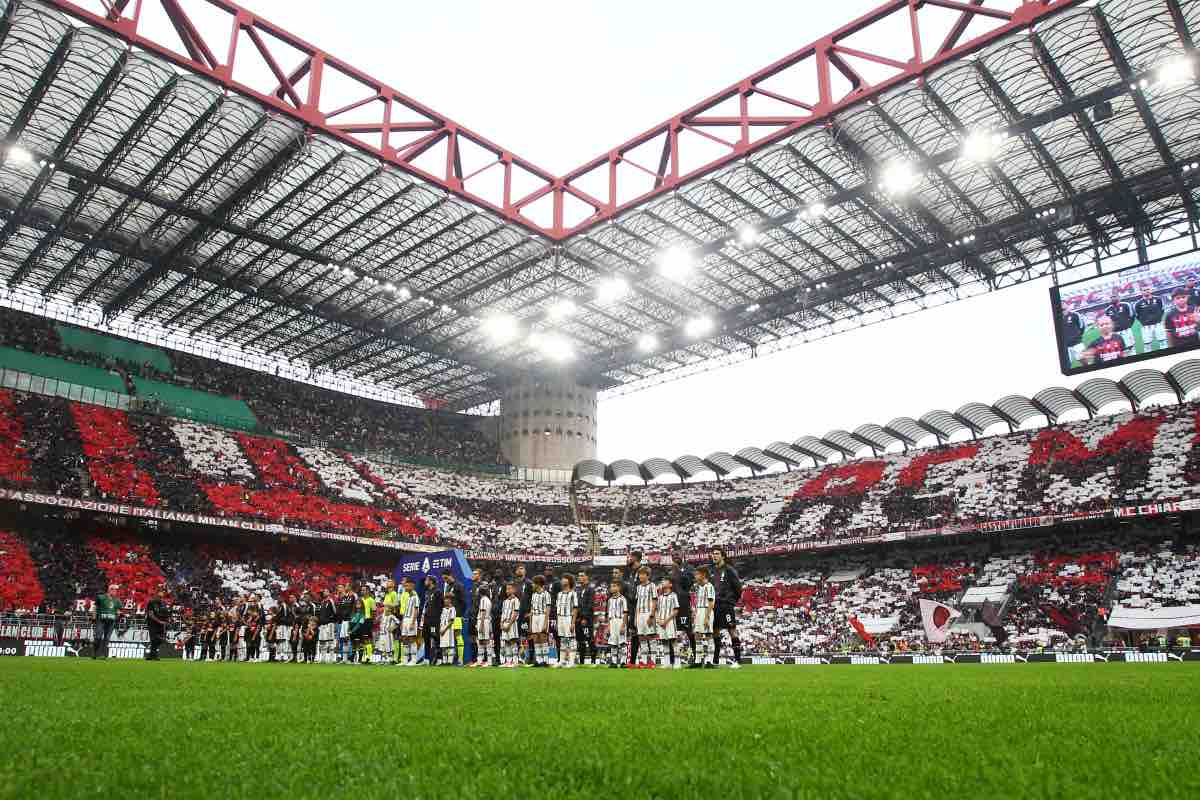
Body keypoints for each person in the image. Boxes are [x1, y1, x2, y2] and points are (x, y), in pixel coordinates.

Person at [710, 547, 743, 669]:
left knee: (731, 630)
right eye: (713, 554)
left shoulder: (729, 570)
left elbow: (738, 588)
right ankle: (716, 660)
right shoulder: (713, 571)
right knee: (715, 631)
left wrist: (731, 601)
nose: (714, 556)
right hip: (715, 605)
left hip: (726, 605)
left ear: (723, 556)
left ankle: (738, 660)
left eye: (717, 554)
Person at [671, 552, 696, 665]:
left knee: (688, 630)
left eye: (677, 555)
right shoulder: (671, 571)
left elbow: (688, 583)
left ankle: (695, 656)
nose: (675, 557)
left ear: (682, 556)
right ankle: (672, 659)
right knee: (672, 631)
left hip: (683, 602)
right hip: (672, 604)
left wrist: (679, 571)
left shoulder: (688, 568)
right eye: (673, 556)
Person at [634, 566, 657, 669]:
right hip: (640, 614)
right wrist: (635, 617)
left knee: (651, 637)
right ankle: (643, 661)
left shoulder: (652, 586)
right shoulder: (638, 587)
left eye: (643, 574)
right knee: (641, 637)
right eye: (639, 574)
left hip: (648, 613)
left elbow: (655, 601)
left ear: (648, 575)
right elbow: (637, 603)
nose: (640, 576)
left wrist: (651, 615)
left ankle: (652, 661)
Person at [693, 566, 716, 670]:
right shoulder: (698, 587)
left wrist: (707, 617)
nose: (695, 576)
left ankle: (709, 661)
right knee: (697, 635)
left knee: (708, 635)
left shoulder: (709, 586)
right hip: (699, 611)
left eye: (697, 574)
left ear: (703, 575)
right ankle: (698, 661)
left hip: (706, 611)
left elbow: (711, 603)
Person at [553, 574, 578, 669]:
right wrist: (557, 620)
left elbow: (575, 608)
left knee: (571, 639)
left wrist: (573, 622)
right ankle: (562, 661)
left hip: (568, 617)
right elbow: (557, 608)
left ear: (569, 581)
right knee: (562, 639)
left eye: (565, 579)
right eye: (562, 578)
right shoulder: (559, 594)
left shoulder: (573, 593)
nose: (562, 580)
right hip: (560, 618)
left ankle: (571, 661)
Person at [656, 578, 680, 669]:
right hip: (661, 622)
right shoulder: (660, 597)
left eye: (665, 581)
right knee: (664, 641)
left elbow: (676, 610)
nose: (662, 582)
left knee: (673, 641)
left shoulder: (673, 595)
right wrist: (658, 620)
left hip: (669, 622)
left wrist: (665, 621)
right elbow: (656, 610)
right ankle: (667, 663)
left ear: (670, 585)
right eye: (661, 581)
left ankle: (677, 663)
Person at [91, 584, 121, 659]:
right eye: (115, 590)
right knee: (98, 637)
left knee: (107, 638)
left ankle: (103, 654)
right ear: (110, 590)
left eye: (116, 590)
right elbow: (95, 607)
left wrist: (119, 614)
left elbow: (117, 610)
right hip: (101, 620)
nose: (116, 592)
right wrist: (94, 617)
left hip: (111, 621)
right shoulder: (101, 597)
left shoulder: (117, 600)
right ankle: (95, 653)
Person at [528, 575, 551, 667]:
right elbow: (531, 609)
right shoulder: (533, 595)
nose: (532, 585)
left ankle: (545, 660)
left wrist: (545, 622)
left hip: (542, 616)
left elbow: (548, 609)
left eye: (534, 583)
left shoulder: (546, 594)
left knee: (543, 637)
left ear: (538, 584)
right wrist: (530, 622)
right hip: (534, 616)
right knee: (535, 638)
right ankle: (538, 660)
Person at [421, 575, 443, 665]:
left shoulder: (438, 592)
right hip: (426, 619)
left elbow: (441, 605)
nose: (425, 581)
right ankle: (426, 659)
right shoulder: (427, 592)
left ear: (431, 581)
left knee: (436, 638)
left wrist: (438, 617)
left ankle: (439, 659)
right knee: (426, 638)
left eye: (426, 580)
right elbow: (426, 606)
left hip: (434, 620)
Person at [1134, 288, 1165, 352]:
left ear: (1151, 290)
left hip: (1158, 325)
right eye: (1144, 290)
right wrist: (1144, 321)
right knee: (1147, 345)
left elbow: (1162, 310)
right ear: (1141, 292)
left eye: (1147, 289)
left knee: (1163, 342)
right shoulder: (1138, 303)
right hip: (1146, 327)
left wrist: (1158, 318)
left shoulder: (1158, 299)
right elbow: (1137, 315)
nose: (1146, 291)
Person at [574, 570, 595, 666]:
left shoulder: (590, 589)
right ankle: (581, 662)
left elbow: (590, 605)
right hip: (578, 619)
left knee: (589, 639)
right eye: (579, 576)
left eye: (582, 575)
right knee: (580, 640)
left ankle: (593, 661)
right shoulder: (577, 589)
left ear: (587, 577)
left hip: (587, 619)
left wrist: (585, 618)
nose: (579, 577)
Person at [606, 579, 628, 669]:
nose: (612, 588)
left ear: (619, 587)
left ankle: (623, 662)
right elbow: (608, 614)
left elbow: (626, 612)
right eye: (611, 586)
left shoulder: (622, 599)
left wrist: (623, 625)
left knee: (622, 642)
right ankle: (614, 662)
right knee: (613, 643)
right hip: (612, 622)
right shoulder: (609, 600)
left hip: (620, 621)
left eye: (614, 586)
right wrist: (608, 625)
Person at [399, 577, 421, 666]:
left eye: (407, 586)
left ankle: (413, 660)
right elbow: (406, 610)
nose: (405, 587)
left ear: (412, 585)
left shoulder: (415, 597)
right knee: (404, 639)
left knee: (412, 639)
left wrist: (412, 622)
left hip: (411, 620)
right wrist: (402, 622)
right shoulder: (408, 597)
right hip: (405, 620)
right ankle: (404, 660)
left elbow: (416, 611)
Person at [500, 583, 521, 668]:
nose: (507, 591)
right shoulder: (505, 601)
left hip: (512, 623)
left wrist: (509, 624)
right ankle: (508, 661)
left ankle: (515, 661)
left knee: (513, 641)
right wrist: (501, 623)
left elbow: (515, 613)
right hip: (504, 623)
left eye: (509, 589)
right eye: (506, 589)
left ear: (514, 590)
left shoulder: (516, 600)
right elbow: (503, 613)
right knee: (506, 642)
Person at [145, 588, 169, 661]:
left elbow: (166, 614)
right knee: (155, 639)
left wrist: (167, 621)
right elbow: (150, 614)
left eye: (162, 596)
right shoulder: (151, 602)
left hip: (161, 624)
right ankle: (154, 655)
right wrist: (159, 621)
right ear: (156, 595)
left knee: (158, 640)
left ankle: (151, 655)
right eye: (159, 596)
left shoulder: (164, 604)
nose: (161, 598)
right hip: (152, 624)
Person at [472, 585, 492, 668]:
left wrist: (481, 625)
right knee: (480, 641)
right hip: (483, 620)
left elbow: (483, 612)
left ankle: (489, 661)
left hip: (484, 621)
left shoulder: (484, 600)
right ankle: (480, 660)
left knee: (486, 640)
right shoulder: (486, 599)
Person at [438, 592, 457, 666]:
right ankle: (444, 661)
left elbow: (451, 621)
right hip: (442, 627)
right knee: (443, 646)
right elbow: (441, 619)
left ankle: (450, 661)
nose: (445, 601)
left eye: (447, 599)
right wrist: (440, 628)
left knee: (449, 645)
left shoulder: (452, 609)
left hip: (448, 629)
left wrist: (444, 629)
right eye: (445, 599)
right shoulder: (442, 609)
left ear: (450, 600)